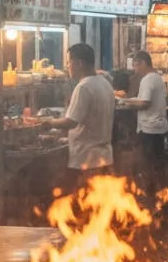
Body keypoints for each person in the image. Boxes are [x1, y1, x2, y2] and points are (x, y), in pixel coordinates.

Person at [39, 43, 116, 187]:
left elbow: (71, 122)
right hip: (104, 156)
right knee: (98, 205)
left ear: (79, 63)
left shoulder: (84, 87)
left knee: (82, 203)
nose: (67, 66)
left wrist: (48, 123)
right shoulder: (104, 83)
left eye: (69, 62)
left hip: (86, 159)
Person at [121, 51, 168, 194]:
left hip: (149, 128)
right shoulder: (157, 78)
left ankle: (151, 192)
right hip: (159, 126)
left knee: (148, 163)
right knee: (158, 162)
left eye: (135, 65)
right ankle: (162, 191)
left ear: (143, 63)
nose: (135, 70)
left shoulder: (147, 79)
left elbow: (144, 103)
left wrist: (125, 102)